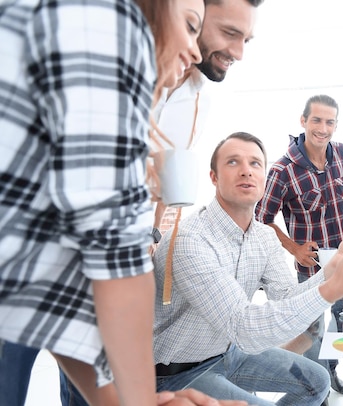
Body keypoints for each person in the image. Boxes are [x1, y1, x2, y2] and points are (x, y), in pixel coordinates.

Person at [0, 1, 234, 405]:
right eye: (191, 25)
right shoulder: (104, 26)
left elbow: (50, 284)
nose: (195, 51)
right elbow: (116, 263)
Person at [151, 132, 343, 405]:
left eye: (255, 164)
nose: (246, 170)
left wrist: (333, 268)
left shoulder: (264, 236)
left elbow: (285, 297)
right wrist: (336, 287)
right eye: (233, 162)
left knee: (316, 382)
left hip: (228, 353)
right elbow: (244, 327)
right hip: (176, 372)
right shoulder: (190, 239)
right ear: (214, 177)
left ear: (264, 179)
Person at [254, 94, 343, 395]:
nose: (322, 128)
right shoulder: (282, 170)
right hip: (311, 267)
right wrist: (294, 248)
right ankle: (318, 388)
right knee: (313, 328)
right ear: (303, 121)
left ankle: (330, 371)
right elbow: (261, 219)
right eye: (317, 120)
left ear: (336, 125)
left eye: (329, 122)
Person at [151, 0, 263, 238]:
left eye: (246, 40)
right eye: (229, 33)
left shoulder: (201, 100)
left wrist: (154, 233)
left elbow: (168, 173)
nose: (239, 53)